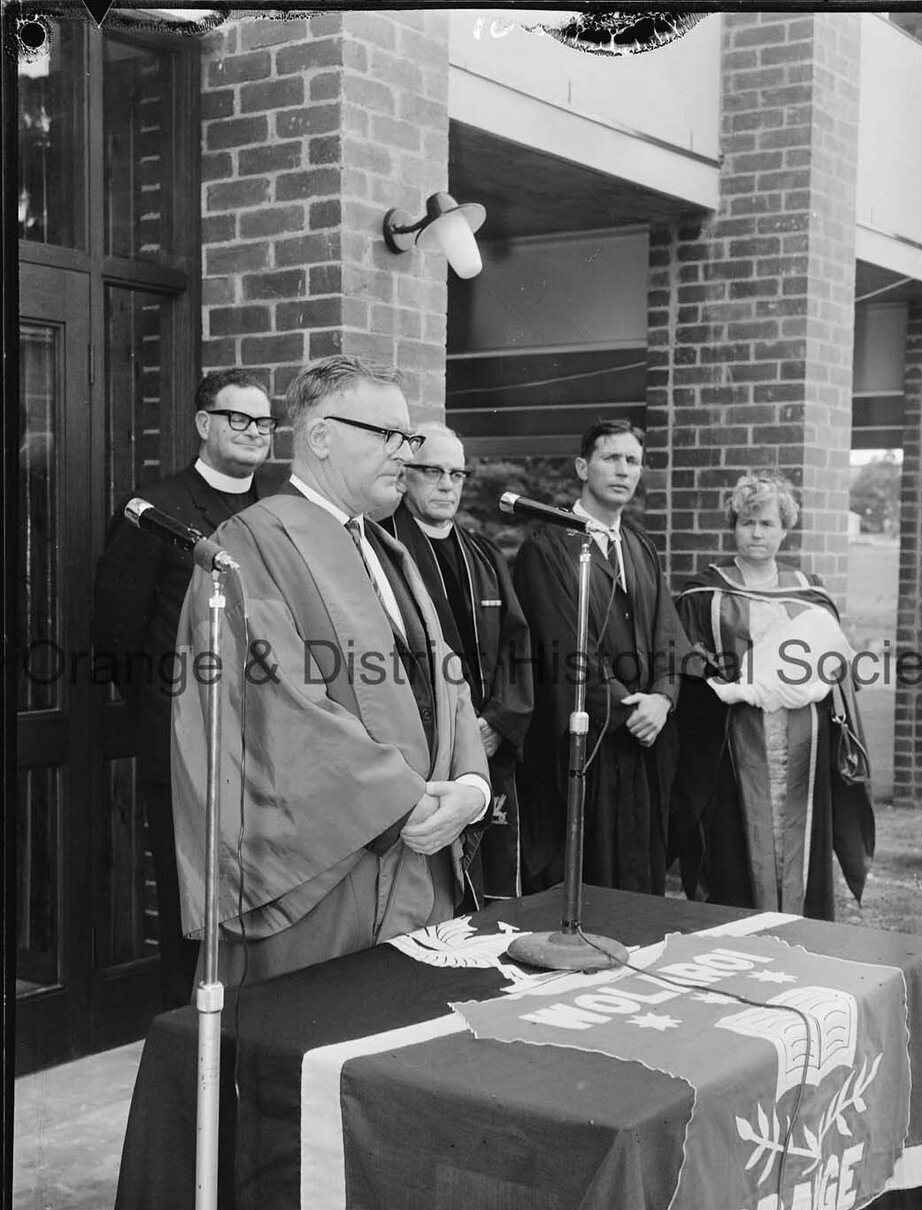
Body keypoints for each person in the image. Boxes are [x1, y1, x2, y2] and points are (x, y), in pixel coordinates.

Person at [170, 355, 490, 986]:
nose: (405, 453)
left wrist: (472, 789)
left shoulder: (384, 545)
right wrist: (406, 801)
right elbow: (274, 709)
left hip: (418, 856)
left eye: (408, 437)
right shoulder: (251, 544)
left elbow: (445, 678)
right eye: (388, 436)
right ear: (319, 437)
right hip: (330, 877)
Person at [92, 368, 278, 1008]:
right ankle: (185, 1056)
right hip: (186, 751)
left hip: (269, 750)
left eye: (265, 422)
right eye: (240, 419)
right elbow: (117, 638)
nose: (256, 433)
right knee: (192, 913)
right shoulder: (156, 509)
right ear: (204, 424)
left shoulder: (279, 511)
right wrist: (174, 722)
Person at [671, 470, 875, 920]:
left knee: (801, 837)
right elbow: (688, 663)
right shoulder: (705, 592)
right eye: (747, 522)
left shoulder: (810, 594)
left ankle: (805, 932)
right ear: (733, 526)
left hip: (805, 736)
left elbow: (836, 668)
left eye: (767, 523)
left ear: (785, 528)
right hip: (734, 737)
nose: (757, 533)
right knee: (736, 840)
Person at [513, 418, 687, 895]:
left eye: (633, 460)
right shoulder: (547, 548)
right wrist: (629, 707)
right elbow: (563, 646)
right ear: (582, 467)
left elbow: (670, 636)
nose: (623, 470)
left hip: (644, 737)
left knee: (640, 883)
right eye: (611, 458)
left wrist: (663, 700)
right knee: (588, 876)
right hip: (588, 742)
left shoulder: (640, 548)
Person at [381, 423, 533, 901]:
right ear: (406, 475)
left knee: (492, 890)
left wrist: (499, 722)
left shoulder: (484, 554)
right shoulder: (383, 549)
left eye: (458, 473)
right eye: (434, 472)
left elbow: (518, 646)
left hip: (489, 747)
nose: (447, 484)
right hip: (427, 751)